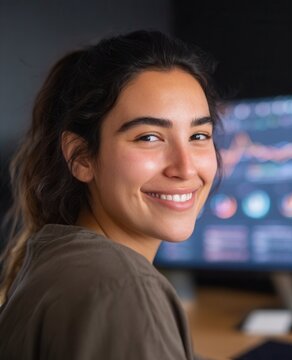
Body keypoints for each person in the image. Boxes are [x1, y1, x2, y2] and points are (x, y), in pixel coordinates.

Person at [0, 30, 222, 359]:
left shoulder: (57, 255)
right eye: (149, 137)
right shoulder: (122, 287)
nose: (185, 168)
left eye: (199, 135)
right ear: (81, 157)